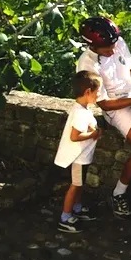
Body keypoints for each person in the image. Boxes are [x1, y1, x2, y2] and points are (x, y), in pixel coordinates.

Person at [76, 16, 131, 218]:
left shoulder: (117, 43)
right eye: (107, 49)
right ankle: (118, 193)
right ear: (93, 46)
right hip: (116, 107)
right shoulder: (87, 65)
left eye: (114, 45)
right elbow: (104, 103)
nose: (113, 51)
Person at [53, 71, 103, 233]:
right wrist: (94, 134)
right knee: (75, 186)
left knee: (79, 184)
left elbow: (86, 125)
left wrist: (93, 130)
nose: (99, 95)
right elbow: (75, 136)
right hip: (78, 158)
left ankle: (77, 207)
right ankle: (65, 217)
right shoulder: (80, 112)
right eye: (97, 92)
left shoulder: (83, 109)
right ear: (88, 92)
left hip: (83, 157)